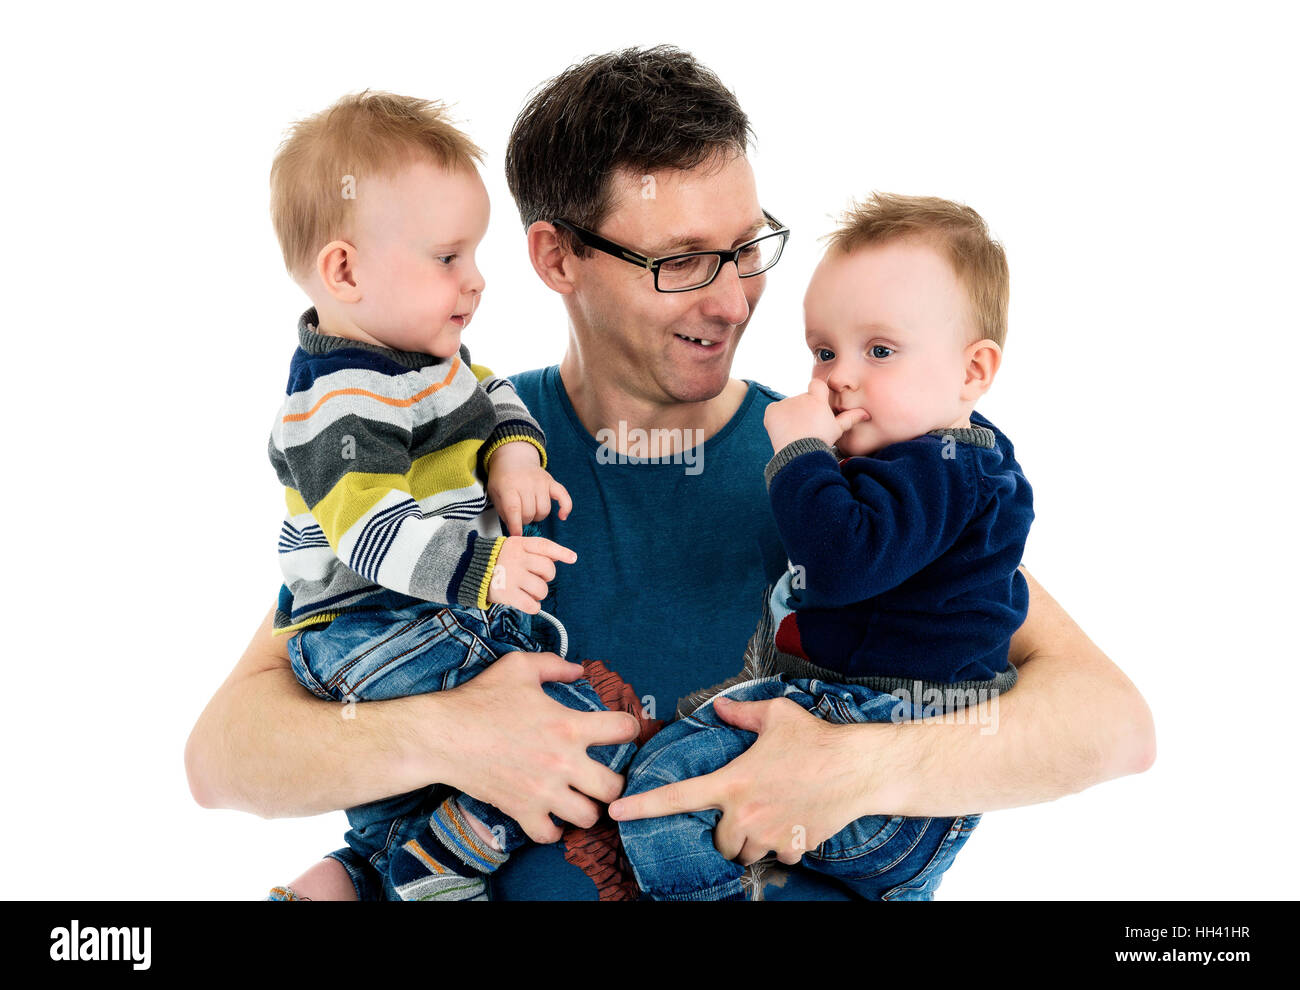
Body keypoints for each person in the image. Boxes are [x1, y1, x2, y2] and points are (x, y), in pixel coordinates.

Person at [186, 46, 1156, 902]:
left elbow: (1110, 725)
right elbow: (225, 754)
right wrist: (446, 737)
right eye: (685, 261)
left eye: (745, 248)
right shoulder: (459, 445)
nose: (735, 300)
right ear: (556, 256)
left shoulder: (837, 457)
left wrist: (861, 770)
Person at [260, 91, 633, 901]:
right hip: (364, 629)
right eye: (447, 258)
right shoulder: (339, 404)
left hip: (409, 626)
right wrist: (487, 569)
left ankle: (348, 878)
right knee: (562, 716)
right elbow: (369, 534)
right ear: (345, 270)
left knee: (427, 785)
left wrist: (513, 456)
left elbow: (491, 396)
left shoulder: (430, 363)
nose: (477, 281)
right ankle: (440, 871)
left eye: (474, 256)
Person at [617, 192, 1032, 900]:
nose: (840, 376)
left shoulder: (945, 469)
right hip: (875, 747)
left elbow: (840, 562)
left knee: (663, 791)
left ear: (973, 372)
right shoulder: (942, 466)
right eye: (824, 351)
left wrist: (804, 451)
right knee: (677, 749)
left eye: (880, 351)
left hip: (891, 742)